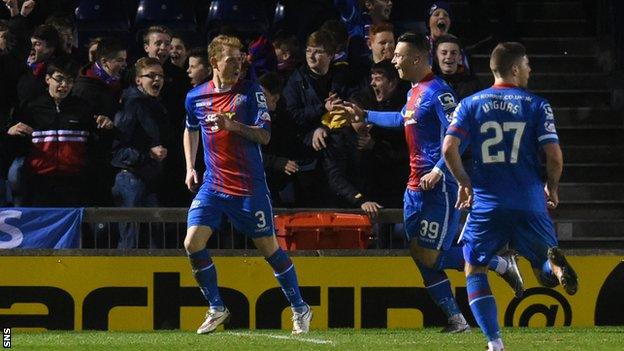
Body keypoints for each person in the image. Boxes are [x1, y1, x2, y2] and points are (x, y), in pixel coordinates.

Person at [339, 32, 524, 332]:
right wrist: (367, 114)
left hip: (438, 187)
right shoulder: (414, 91)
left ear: (415, 58)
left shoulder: (440, 92)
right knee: (419, 253)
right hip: (414, 186)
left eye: (398, 55)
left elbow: (461, 133)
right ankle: (456, 319)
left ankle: (499, 263)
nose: (393, 60)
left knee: (430, 254)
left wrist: (439, 169)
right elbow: (402, 119)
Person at [442, 42, 578, 351]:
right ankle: (556, 267)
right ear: (515, 68)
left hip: (487, 204)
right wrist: (552, 186)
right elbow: (554, 157)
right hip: (530, 202)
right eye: (528, 65)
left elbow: (449, 149)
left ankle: (495, 344)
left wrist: (465, 182)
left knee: (474, 268)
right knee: (543, 268)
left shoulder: (470, 104)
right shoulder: (537, 105)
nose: (530, 70)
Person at [182, 34, 312, 335]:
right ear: (215, 62)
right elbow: (190, 129)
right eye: (231, 59)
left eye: (241, 59)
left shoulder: (251, 92)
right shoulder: (196, 96)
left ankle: (299, 308)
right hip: (213, 185)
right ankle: (216, 307)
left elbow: (264, 136)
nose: (238, 64)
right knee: (192, 243)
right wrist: (190, 166)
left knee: (269, 250)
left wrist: (232, 125)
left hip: (248, 188)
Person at [7, 59, 113, 206]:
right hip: (39, 183)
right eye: (60, 79)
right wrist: (10, 133)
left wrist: (107, 127)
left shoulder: (83, 109)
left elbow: (97, 144)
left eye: (70, 81)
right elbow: (15, 147)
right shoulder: (30, 108)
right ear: (47, 79)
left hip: (75, 184)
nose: (65, 85)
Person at [111, 57, 170, 249]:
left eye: (160, 76)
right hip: (131, 179)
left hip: (150, 179)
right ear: (138, 80)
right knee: (130, 239)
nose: (157, 80)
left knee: (154, 237)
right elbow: (117, 151)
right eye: (151, 75)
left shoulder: (155, 105)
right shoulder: (132, 104)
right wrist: (148, 154)